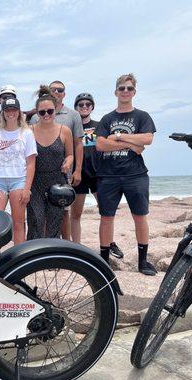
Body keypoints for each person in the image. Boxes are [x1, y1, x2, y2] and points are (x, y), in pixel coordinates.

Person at [95, 73, 156, 276]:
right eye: (122, 88)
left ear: (134, 92)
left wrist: (120, 136)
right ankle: (104, 263)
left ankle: (143, 261)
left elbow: (147, 139)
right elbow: (101, 144)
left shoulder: (142, 116)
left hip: (135, 174)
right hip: (109, 175)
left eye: (129, 88)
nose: (125, 92)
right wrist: (133, 143)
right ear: (115, 92)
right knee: (106, 217)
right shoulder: (107, 118)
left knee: (140, 216)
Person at [70, 92, 124, 258]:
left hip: (98, 173)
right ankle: (76, 247)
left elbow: (111, 146)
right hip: (78, 173)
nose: (84, 107)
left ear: (92, 107)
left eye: (87, 104)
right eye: (81, 105)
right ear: (76, 107)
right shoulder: (71, 127)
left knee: (106, 211)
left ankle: (110, 242)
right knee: (76, 214)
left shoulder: (101, 125)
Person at [30, 80, 84, 240]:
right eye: (42, 112)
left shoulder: (65, 130)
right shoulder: (29, 130)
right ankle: (33, 256)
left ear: (55, 111)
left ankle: (53, 256)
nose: (46, 114)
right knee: (36, 219)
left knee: (55, 220)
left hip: (57, 180)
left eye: (49, 111)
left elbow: (71, 153)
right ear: (37, 113)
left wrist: (70, 161)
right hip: (35, 180)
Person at [0, 97, 37, 245]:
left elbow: (31, 163)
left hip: (19, 180)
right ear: (3, 113)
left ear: (19, 112)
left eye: (14, 110)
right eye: (7, 110)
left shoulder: (26, 133)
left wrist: (27, 188)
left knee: (18, 223)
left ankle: (18, 258)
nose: (11, 113)